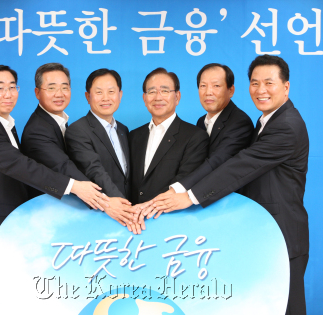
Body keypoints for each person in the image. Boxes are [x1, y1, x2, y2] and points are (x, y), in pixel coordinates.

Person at [149, 55, 309, 315]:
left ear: (286, 87)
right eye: (255, 83)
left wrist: (189, 196)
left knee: (286, 307)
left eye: (269, 83)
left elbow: (242, 165)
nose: (261, 90)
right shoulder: (267, 120)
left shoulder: (286, 127)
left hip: (283, 234)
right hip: (259, 230)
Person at [0, 65, 105, 315]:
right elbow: (23, 167)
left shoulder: (4, 123)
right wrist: (75, 186)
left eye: (12, 87)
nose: (8, 94)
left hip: (9, 227)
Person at [157, 63, 254, 210]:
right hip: (201, 205)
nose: (208, 92)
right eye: (203, 86)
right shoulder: (201, 122)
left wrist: (177, 189)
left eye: (216, 86)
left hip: (228, 206)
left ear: (231, 90)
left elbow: (217, 162)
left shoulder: (240, 122)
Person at [21, 63, 109, 211]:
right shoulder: (37, 130)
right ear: (37, 93)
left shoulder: (59, 122)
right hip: (48, 213)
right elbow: (64, 167)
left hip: (65, 208)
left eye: (64, 87)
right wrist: (107, 201)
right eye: (51, 88)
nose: (59, 94)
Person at [128, 67, 209, 207]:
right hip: (131, 219)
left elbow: (185, 180)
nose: (158, 97)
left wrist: (147, 208)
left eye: (165, 91)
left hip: (171, 219)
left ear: (177, 97)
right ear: (144, 98)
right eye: (152, 92)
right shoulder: (133, 135)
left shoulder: (195, 136)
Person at [65, 68, 134, 229]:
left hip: (126, 213)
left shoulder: (123, 130)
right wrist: (124, 208)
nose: (106, 98)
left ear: (120, 95)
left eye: (111, 91)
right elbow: (94, 170)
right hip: (101, 214)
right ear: (88, 96)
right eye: (99, 92)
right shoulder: (78, 130)